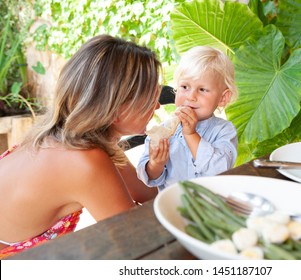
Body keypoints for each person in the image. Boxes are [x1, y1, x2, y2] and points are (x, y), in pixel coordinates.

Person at [0, 34, 161, 258]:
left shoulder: (73, 138)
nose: (158, 105)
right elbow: (137, 240)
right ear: (117, 108)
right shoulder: (84, 160)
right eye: (151, 97)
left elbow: (148, 192)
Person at [137, 46, 238, 191]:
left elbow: (218, 169)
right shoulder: (164, 131)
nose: (191, 97)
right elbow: (148, 177)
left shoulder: (224, 131)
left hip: (211, 206)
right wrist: (155, 165)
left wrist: (191, 134)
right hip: (172, 206)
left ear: (223, 98)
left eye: (202, 89)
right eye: (185, 87)